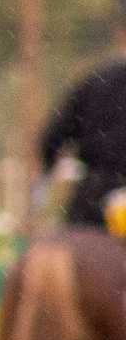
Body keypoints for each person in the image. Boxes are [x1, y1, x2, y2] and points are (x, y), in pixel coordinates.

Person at [39, 18, 126, 232]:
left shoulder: (93, 81)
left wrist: (43, 181)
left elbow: (51, 139)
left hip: (92, 203)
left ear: (121, 36)